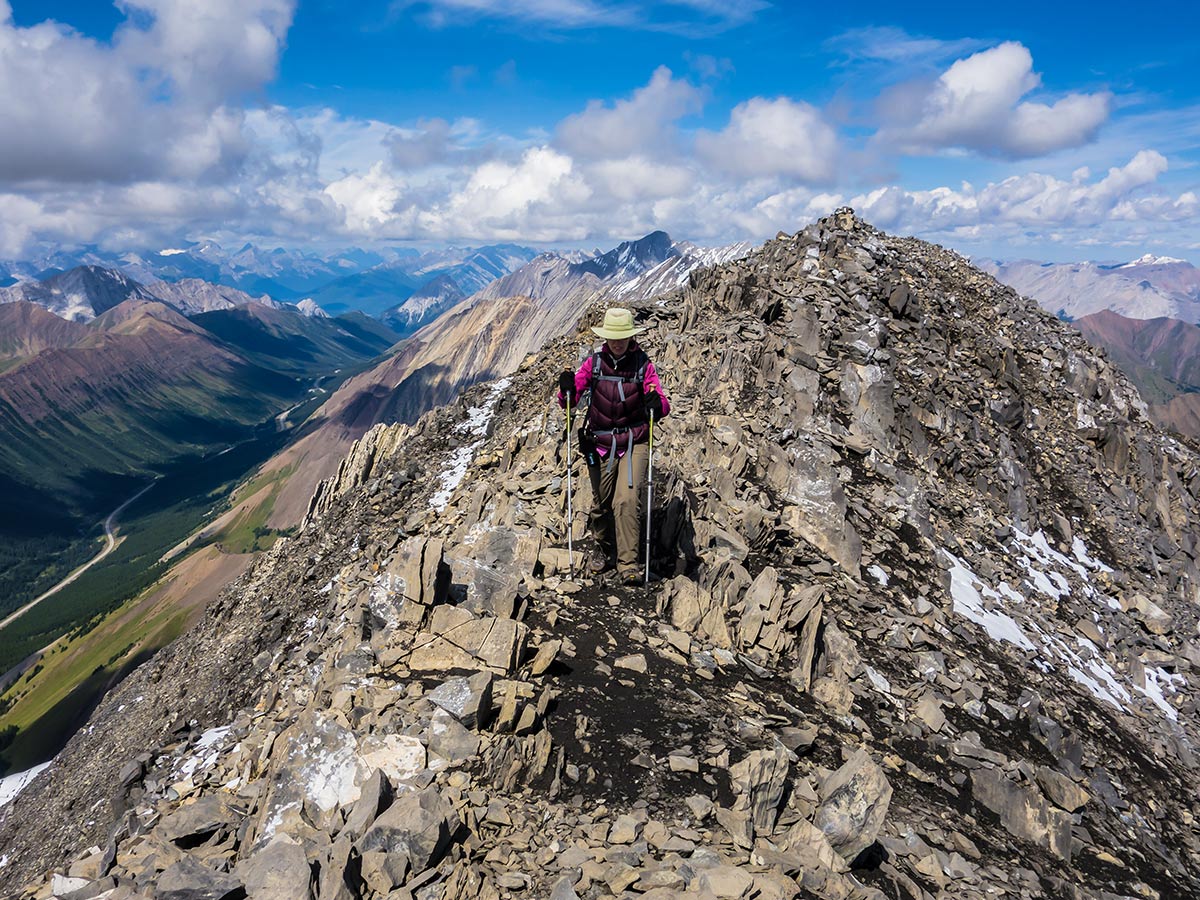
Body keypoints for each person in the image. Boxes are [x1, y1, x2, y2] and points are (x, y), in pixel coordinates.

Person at [558, 307, 670, 584]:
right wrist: (566, 389)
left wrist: (658, 404)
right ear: (605, 338)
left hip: (635, 441)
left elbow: (661, 402)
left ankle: (628, 564)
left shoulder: (644, 365)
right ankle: (604, 547)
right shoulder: (593, 364)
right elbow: (569, 399)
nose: (617, 342)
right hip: (601, 443)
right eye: (612, 337)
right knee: (601, 502)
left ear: (631, 337)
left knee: (627, 499)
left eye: (622, 337)